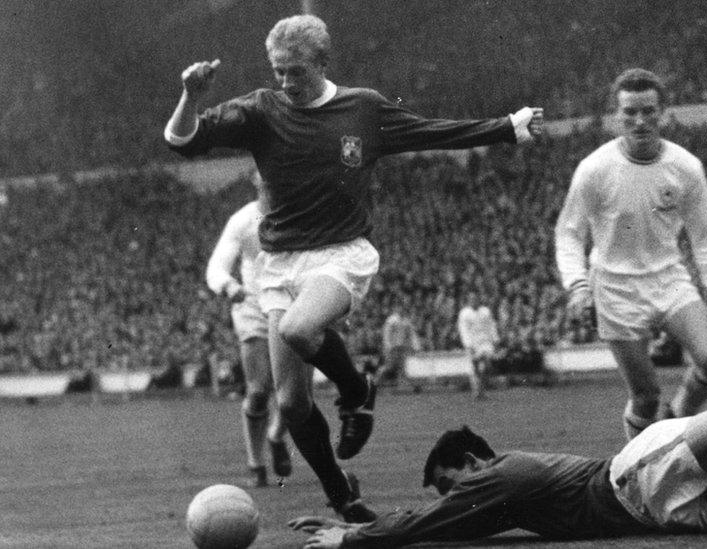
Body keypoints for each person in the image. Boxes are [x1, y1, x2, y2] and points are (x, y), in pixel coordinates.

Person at [164, 14, 543, 521]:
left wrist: (507, 128)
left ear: (322, 63)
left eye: (295, 71)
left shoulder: (361, 109)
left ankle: (357, 390)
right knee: (292, 402)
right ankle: (342, 493)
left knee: (301, 328)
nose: (285, 81)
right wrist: (191, 94)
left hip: (341, 253)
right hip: (279, 265)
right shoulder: (260, 109)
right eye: (278, 71)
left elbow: (428, 132)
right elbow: (182, 141)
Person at [290, 291, 707, 548]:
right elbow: (440, 526)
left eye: (451, 480)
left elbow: (438, 518)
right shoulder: (503, 501)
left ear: (475, 463)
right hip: (675, 516)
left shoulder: (505, 475)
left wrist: (354, 539)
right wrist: (368, 518)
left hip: (639, 475)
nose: (456, 496)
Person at [554, 68, 707, 438]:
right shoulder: (594, 169)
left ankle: (675, 420)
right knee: (645, 396)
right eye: (630, 112)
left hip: (667, 277)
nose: (639, 120)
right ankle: (637, 469)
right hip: (614, 286)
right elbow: (568, 233)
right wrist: (578, 286)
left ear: (662, 112)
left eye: (648, 111)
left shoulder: (686, 168)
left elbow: (705, 236)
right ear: (616, 115)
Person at [206, 170, 292, 488]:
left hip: (292, 306)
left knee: (292, 397)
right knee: (258, 391)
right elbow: (217, 265)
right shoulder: (243, 221)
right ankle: (256, 463)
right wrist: (228, 286)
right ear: (257, 182)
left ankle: (276, 435)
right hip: (254, 308)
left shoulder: (301, 213)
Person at [456, 290, 499, 399]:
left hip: (485, 342)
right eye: (471, 299)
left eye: (475, 298)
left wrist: (495, 339)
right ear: (468, 300)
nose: (473, 301)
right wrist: (468, 345)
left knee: (486, 365)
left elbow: (491, 325)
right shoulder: (464, 313)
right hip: (472, 343)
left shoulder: (486, 311)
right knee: (475, 368)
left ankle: (481, 390)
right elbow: (463, 330)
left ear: (479, 299)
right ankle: (478, 392)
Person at [378, 302, 420, 387]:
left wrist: (415, 346)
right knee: (389, 367)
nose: (402, 309)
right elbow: (386, 333)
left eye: (403, 308)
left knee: (402, 367)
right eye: (400, 308)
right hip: (392, 348)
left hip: (402, 347)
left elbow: (411, 334)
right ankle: (376, 381)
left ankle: (407, 385)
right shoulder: (391, 320)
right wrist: (388, 346)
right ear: (397, 308)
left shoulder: (406, 321)